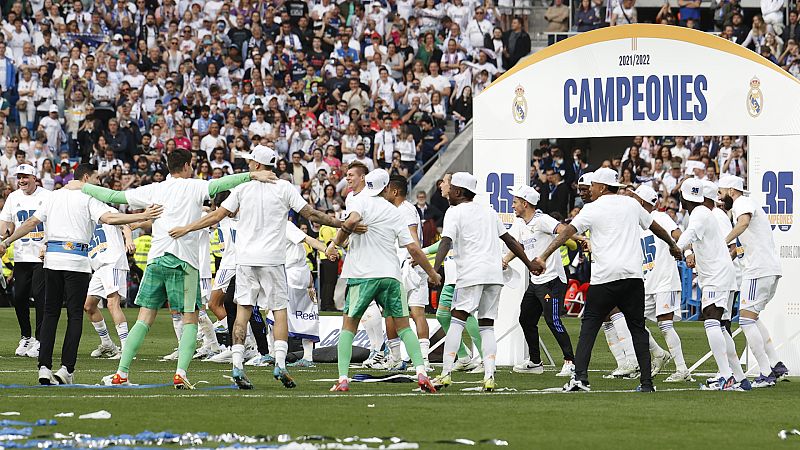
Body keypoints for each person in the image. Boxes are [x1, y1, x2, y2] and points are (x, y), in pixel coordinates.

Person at [71, 149, 277, 389]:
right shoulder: (195, 186)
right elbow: (223, 183)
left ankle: (121, 373)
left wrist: (83, 186)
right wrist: (251, 175)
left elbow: (114, 196)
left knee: (144, 318)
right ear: (187, 165)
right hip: (184, 263)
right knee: (190, 319)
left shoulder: (155, 189)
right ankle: (180, 373)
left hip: (156, 261)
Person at [168, 145, 343, 389]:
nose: (249, 165)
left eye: (251, 161)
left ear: (258, 165)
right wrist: (339, 223)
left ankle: (237, 365)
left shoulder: (242, 187)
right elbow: (311, 214)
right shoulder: (285, 188)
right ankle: (279, 364)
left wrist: (187, 227)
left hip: (246, 260)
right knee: (279, 311)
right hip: (273, 260)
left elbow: (216, 216)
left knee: (242, 312)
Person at [0, 164, 162, 385]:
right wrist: (144, 214)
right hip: (76, 261)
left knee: (50, 314)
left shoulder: (52, 196)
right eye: (96, 179)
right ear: (86, 177)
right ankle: (66, 369)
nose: (98, 184)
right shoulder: (89, 197)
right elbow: (110, 219)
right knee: (75, 315)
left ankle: (44, 368)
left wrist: (7, 241)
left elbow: (31, 223)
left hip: (52, 260)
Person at [531, 168, 681, 392]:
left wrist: (543, 256)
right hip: (632, 277)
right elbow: (655, 227)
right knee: (638, 328)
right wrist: (673, 245)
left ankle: (580, 378)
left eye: (593, 185)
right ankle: (646, 383)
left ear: (601, 187)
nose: (590, 189)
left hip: (604, 278)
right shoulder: (631, 205)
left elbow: (566, 232)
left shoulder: (593, 208)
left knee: (589, 327)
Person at [325, 169, 442, 393]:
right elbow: (413, 248)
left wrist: (334, 244)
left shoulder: (359, 201)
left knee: (348, 326)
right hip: (390, 275)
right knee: (404, 326)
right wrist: (432, 273)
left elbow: (352, 221)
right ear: (386, 187)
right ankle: (421, 372)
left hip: (362, 275)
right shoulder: (394, 211)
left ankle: (343, 378)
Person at [432, 172, 538, 391]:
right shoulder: (489, 211)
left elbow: (446, 241)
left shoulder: (454, 211)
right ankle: (489, 376)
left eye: (450, 188)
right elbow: (510, 240)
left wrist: (434, 270)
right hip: (494, 275)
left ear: (458, 191)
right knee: (487, 325)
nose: (448, 192)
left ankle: (445, 374)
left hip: (471, 273)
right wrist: (529, 264)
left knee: (457, 320)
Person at [675, 178, 747, 391]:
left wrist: (676, 247)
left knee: (711, 320)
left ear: (684, 198)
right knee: (721, 326)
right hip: (719, 274)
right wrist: (686, 250)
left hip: (717, 275)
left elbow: (689, 234)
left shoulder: (700, 213)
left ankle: (726, 376)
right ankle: (739, 377)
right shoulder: (705, 213)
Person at [719, 175, 789, 385]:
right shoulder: (746, 203)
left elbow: (744, 223)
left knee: (746, 321)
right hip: (766, 269)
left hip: (758, 270)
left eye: (721, 192)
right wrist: (729, 255)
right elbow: (743, 242)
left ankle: (766, 373)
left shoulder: (742, 203)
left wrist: (723, 241)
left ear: (731, 191)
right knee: (753, 317)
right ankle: (775, 364)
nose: (720, 198)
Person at [504, 185, 576, 377]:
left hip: (552, 280)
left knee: (553, 320)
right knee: (526, 319)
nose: (513, 206)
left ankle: (570, 362)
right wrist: (505, 260)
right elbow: (517, 245)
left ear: (525, 203)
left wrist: (578, 238)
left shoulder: (542, 219)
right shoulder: (521, 223)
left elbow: (565, 230)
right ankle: (535, 362)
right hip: (536, 282)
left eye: (515, 202)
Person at [630, 184, 691, 382]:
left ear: (641, 201)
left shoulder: (660, 217)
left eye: (634, 197)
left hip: (664, 279)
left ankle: (682, 369)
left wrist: (688, 252)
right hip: (646, 282)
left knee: (665, 325)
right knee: (634, 322)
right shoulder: (635, 223)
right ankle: (658, 353)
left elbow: (677, 234)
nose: (631, 200)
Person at [381, 175, 432, 370]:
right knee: (415, 312)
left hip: (406, 266)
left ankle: (399, 358)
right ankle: (420, 359)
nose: (385, 192)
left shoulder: (405, 210)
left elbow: (412, 236)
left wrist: (416, 255)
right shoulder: (402, 209)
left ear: (395, 191)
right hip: (409, 265)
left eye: (387, 189)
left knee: (394, 313)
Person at [0, 164, 51, 358]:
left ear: (34, 178)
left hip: (42, 255)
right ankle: (26, 336)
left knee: (40, 296)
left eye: (25, 177)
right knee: (19, 296)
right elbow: (5, 222)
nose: (22, 180)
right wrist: (2, 237)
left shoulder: (47, 196)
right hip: (21, 255)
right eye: (19, 177)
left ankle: (40, 340)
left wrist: (48, 243)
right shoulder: (13, 197)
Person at [83, 222, 135, 359]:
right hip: (99, 266)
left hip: (112, 262)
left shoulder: (108, 212)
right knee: (89, 306)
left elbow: (125, 225)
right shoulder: (86, 218)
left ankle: (126, 349)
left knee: (112, 304)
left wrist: (129, 239)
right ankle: (107, 344)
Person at [283, 220, 331, 367]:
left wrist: (326, 250)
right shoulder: (268, 227)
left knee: (278, 313)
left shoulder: (285, 225)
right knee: (305, 313)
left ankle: (276, 354)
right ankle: (305, 356)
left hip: (292, 274)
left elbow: (308, 239)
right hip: (293, 272)